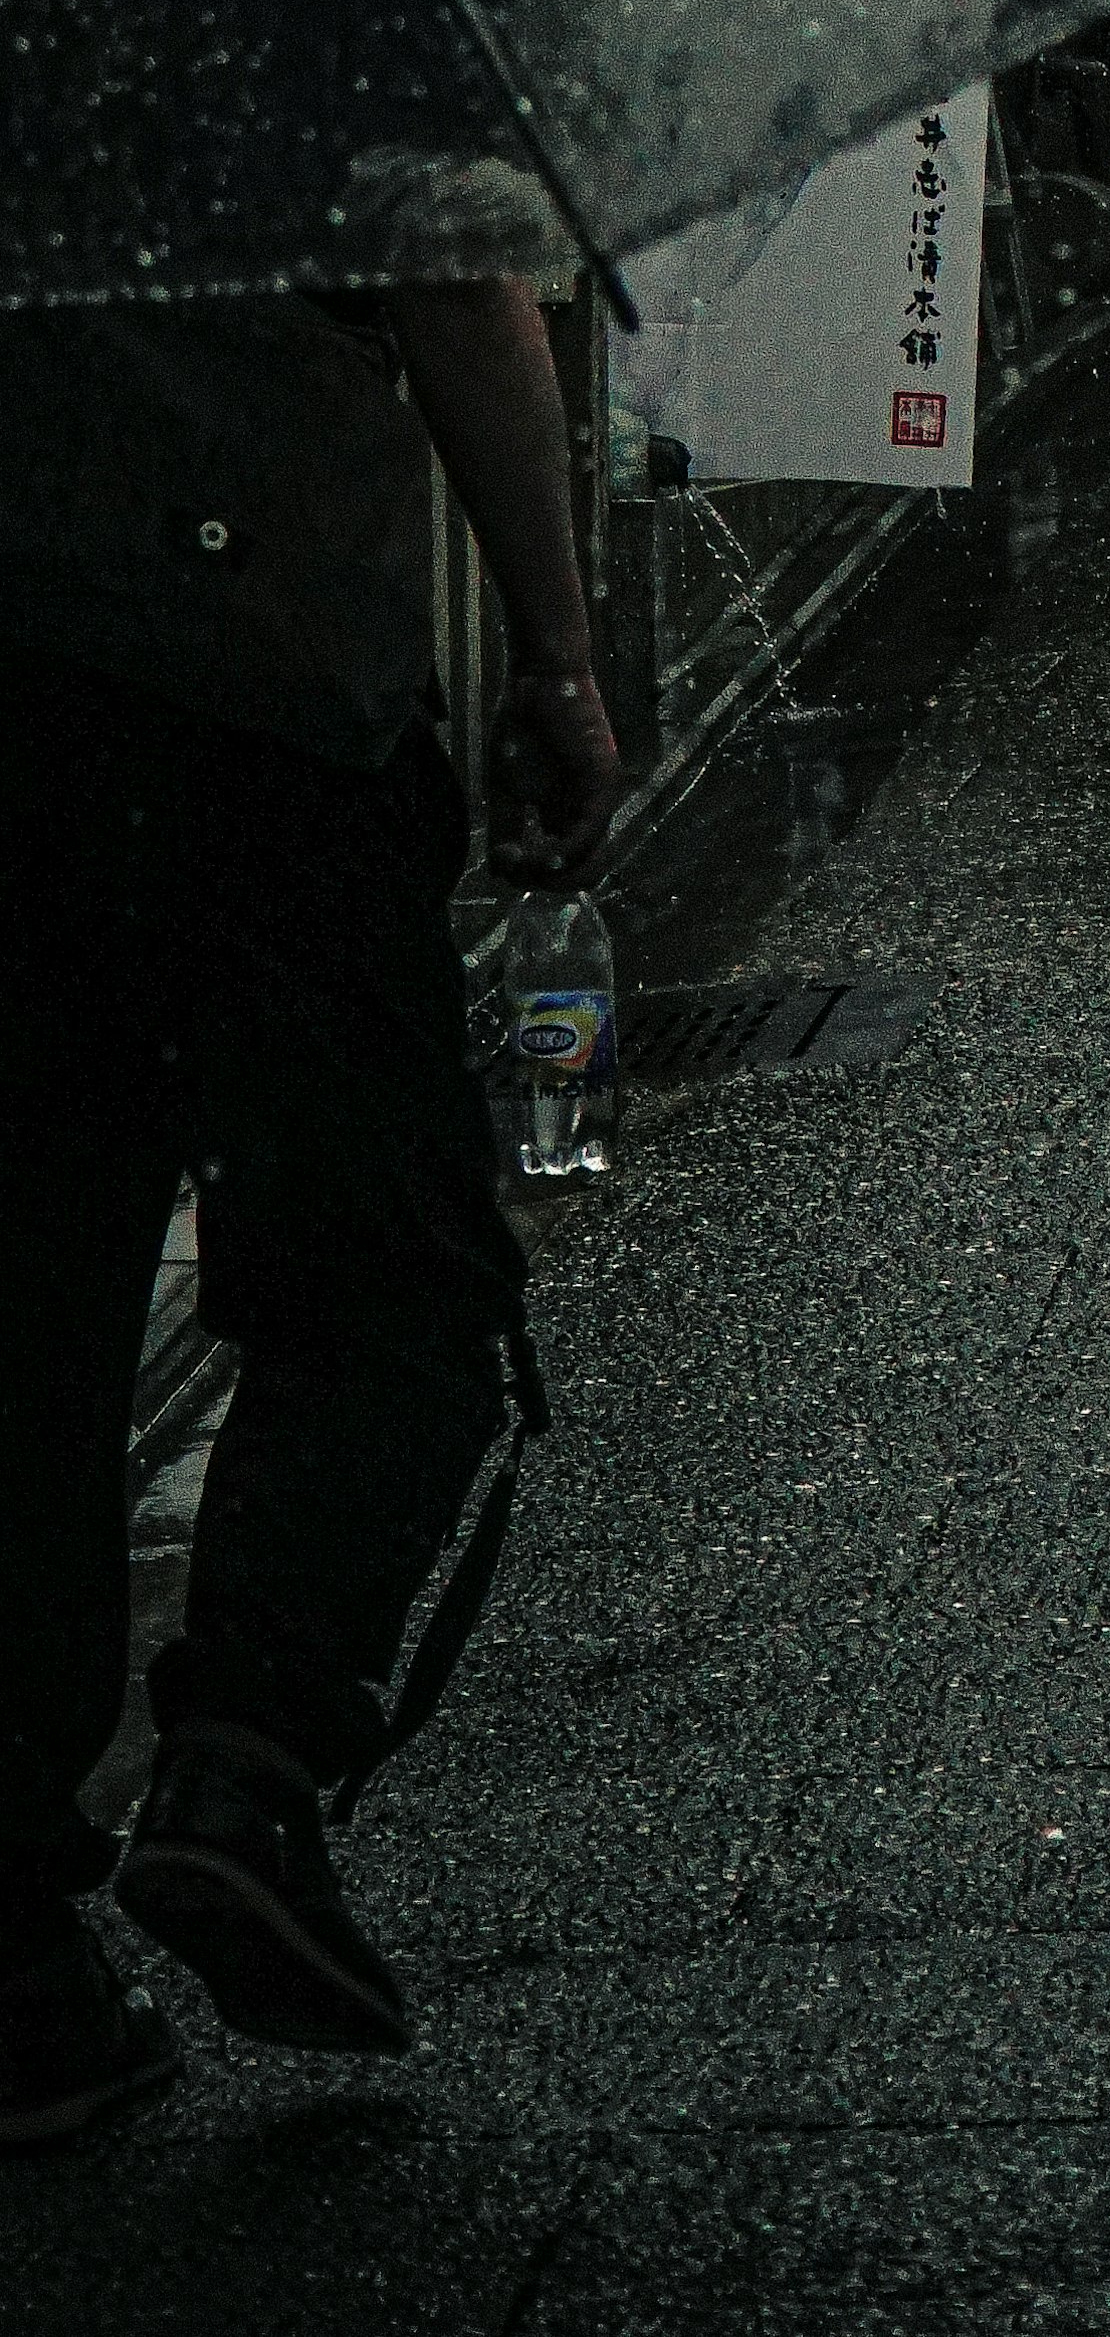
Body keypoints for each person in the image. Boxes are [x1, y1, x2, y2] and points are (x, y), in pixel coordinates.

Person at [0, 277, 621, 2140]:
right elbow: (456, 287)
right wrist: (555, 655)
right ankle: (248, 1761)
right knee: (388, 1284)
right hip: (266, 695)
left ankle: (16, 1972)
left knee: (24, 1333)